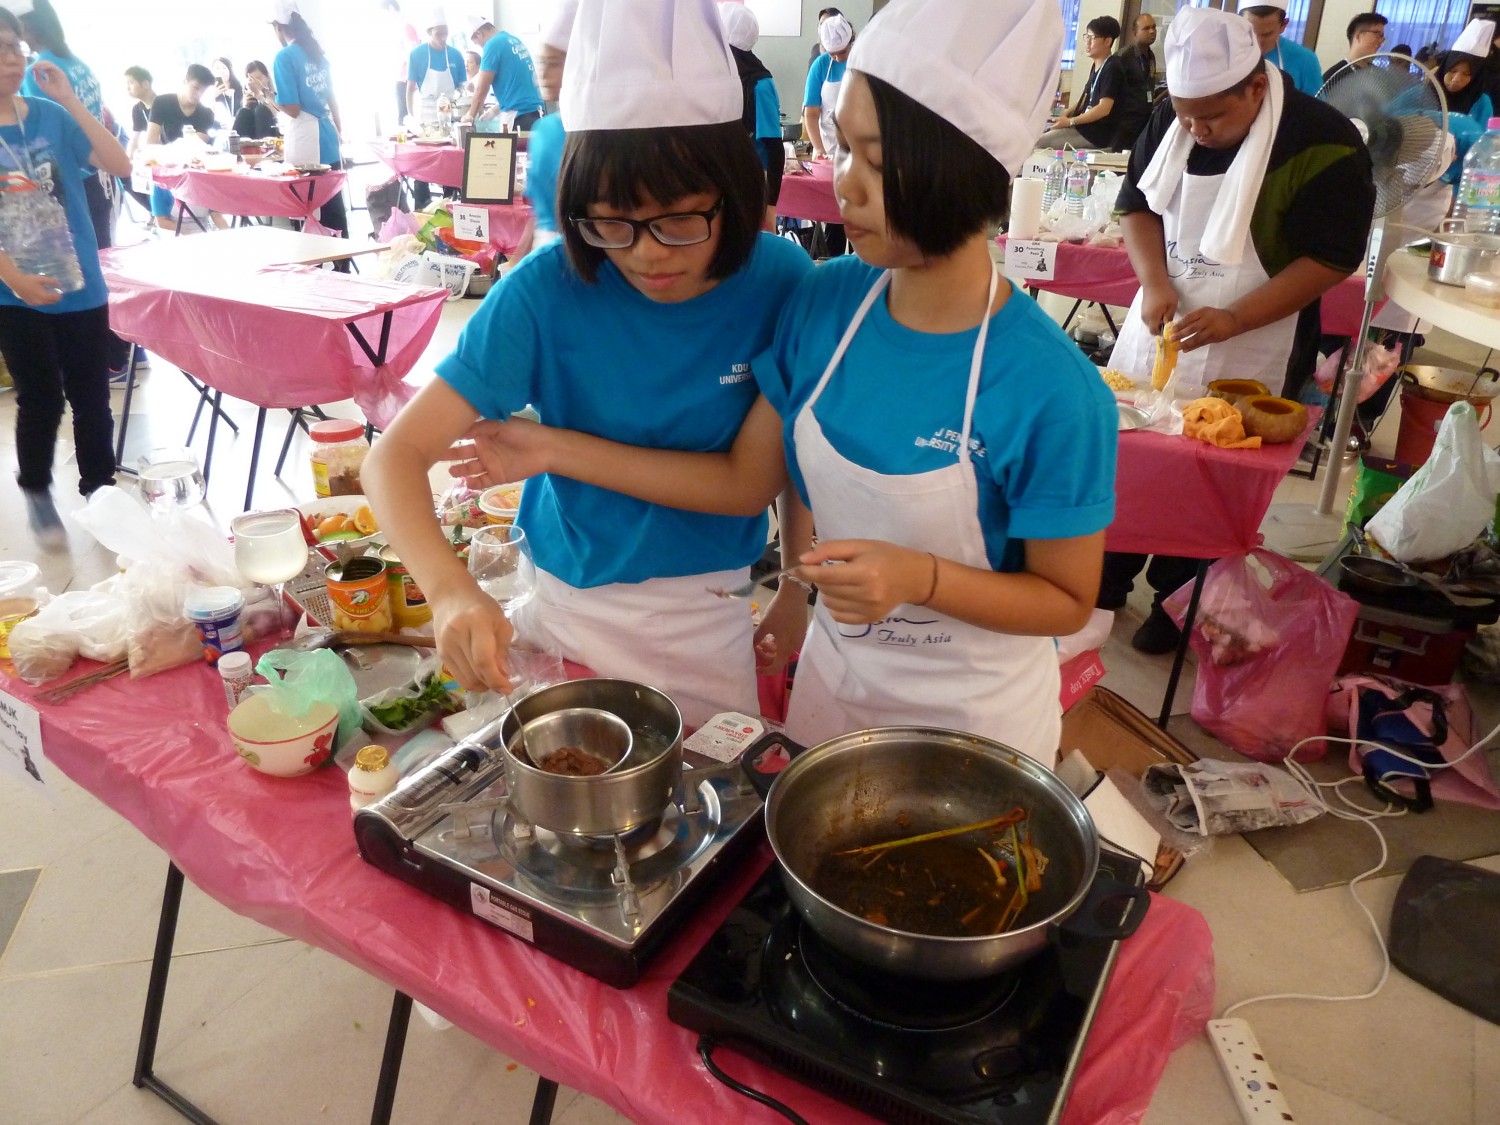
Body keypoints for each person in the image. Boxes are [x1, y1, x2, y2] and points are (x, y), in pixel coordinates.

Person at [454, 0, 1118, 767]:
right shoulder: (825, 303)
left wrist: (923, 578)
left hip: (975, 724)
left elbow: (1066, 600)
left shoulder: (1054, 391)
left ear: (957, 167)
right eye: (842, 146)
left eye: (875, 158)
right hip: (834, 691)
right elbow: (756, 473)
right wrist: (797, 591)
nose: (844, 183)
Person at [362, 0, 813, 712]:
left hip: (715, 605)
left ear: (735, 190)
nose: (647, 254)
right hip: (569, 606)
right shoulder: (548, 290)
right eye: (612, 223)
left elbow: (756, 478)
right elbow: (392, 457)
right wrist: (450, 592)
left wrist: (794, 582)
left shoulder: (782, 283)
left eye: (680, 219)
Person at [1102, 7, 1374, 653]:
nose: (1194, 130)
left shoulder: (1323, 141)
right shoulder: (1174, 120)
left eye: (1212, 118)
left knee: (1212, 471)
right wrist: (1155, 282)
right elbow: (1137, 206)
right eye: (1185, 114)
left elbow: (1333, 257)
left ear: (1256, 87)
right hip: (1161, 316)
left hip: (1261, 328)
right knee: (1134, 454)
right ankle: (1108, 575)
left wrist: (1235, 318)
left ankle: (1179, 595)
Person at [0, 5, 131, 547]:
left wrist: (70, 99)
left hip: (81, 285)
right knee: (41, 398)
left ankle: (101, 493)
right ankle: (35, 488)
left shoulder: (49, 116)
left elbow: (118, 164)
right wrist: (16, 281)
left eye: (14, 49)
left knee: (92, 395)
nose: (10, 60)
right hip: (15, 293)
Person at [271, 0, 347, 241]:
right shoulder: (316, 52)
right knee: (334, 207)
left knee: (307, 212)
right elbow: (332, 98)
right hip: (328, 135)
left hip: (306, 140)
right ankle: (343, 263)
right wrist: (338, 131)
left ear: (277, 27)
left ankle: (313, 267)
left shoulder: (284, 57)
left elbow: (292, 109)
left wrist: (269, 95)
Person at [512, 0, 575, 258]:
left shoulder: (594, 135)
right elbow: (539, 213)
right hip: (546, 254)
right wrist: (518, 261)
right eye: (541, 64)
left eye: (554, 63)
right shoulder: (545, 130)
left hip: (585, 254)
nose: (544, 75)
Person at [1036, 15, 1148, 151]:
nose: (1087, 43)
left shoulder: (1113, 68)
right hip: (1085, 129)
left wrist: (1071, 121)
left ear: (1107, 41)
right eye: (1086, 37)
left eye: (1092, 38)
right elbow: (1085, 99)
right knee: (1040, 134)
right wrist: (1065, 113)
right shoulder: (1097, 65)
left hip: (1096, 135)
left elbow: (1103, 109)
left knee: (1040, 143)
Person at [719, 1, 782, 229]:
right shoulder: (725, 79)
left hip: (753, 184)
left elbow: (774, 148)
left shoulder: (760, 85)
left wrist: (770, 206)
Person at [803, 11, 852, 255]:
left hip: (861, 151)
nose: (837, 57)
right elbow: (811, 114)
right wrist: (820, 149)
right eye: (833, 52)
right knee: (834, 217)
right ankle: (833, 265)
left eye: (841, 52)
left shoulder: (862, 61)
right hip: (830, 151)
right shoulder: (821, 65)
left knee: (859, 215)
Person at [464, 15, 545, 131]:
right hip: (536, 113)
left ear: (479, 34)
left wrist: (470, 115)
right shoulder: (513, 40)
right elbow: (517, 85)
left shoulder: (492, 45)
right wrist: (494, 111)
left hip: (519, 116)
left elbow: (481, 89)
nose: (481, 47)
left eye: (477, 43)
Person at [1238, 1, 1323, 95]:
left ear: (1284, 25)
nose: (1258, 41)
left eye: (1267, 34)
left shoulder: (1306, 60)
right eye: (1251, 32)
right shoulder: (1226, 53)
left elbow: (1315, 108)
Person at [405, 6, 465, 127]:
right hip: (426, 116)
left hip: (450, 116)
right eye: (438, 34)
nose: (443, 38)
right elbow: (410, 89)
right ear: (429, 32)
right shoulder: (416, 54)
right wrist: (410, 116)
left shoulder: (456, 55)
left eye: (445, 33)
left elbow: (462, 87)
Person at [383, 0, 418, 133]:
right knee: (403, 116)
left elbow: (412, 53)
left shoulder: (405, 26)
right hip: (402, 76)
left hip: (405, 78)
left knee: (405, 118)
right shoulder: (402, 26)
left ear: (391, 9)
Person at [1322, 12, 1387, 85]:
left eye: (1382, 37)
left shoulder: (1382, 76)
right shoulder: (1333, 77)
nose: (1380, 41)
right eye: (1378, 35)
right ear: (1358, 36)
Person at [121, 65, 153, 212]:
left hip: (165, 158)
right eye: (126, 84)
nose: (128, 88)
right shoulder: (137, 109)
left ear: (145, 84)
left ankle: (160, 213)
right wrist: (129, 161)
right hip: (149, 158)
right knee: (125, 177)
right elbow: (134, 138)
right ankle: (154, 211)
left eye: (131, 83)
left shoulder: (164, 104)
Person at [233, 60, 279, 139]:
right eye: (251, 80)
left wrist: (262, 98)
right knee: (243, 112)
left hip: (270, 135)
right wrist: (245, 105)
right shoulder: (246, 98)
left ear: (267, 78)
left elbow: (279, 115)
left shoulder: (276, 97)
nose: (255, 83)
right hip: (249, 136)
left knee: (261, 110)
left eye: (259, 79)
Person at [209, 57, 243, 126]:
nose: (221, 71)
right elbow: (208, 115)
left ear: (230, 70)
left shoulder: (239, 89)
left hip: (238, 124)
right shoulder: (210, 92)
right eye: (217, 68)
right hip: (220, 126)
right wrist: (212, 96)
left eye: (224, 68)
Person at [1127, 13, 1158, 87]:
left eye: (1153, 27)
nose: (1152, 31)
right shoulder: (1124, 57)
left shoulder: (1151, 55)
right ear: (1135, 33)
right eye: (1146, 28)